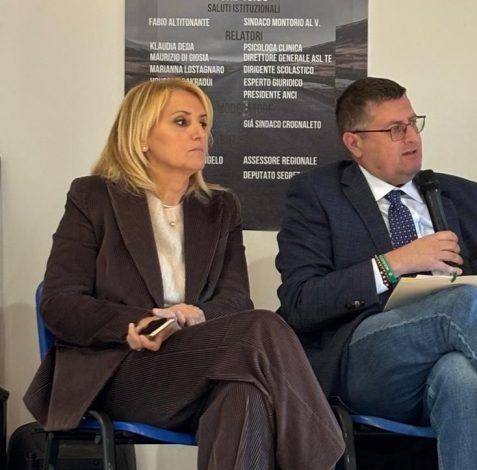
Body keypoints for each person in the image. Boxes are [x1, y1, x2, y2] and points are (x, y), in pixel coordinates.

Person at [24, 79, 345, 470]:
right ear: (141, 136)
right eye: (181, 121)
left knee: (244, 395)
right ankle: (325, 460)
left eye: (203, 123)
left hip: (200, 367)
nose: (199, 133)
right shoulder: (93, 197)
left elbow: (235, 300)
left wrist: (199, 315)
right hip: (120, 370)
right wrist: (136, 322)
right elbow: (60, 302)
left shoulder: (220, 207)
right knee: (262, 327)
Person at [275, 77, 477, 469]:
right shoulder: (317, 194)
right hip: (361, 364)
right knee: (462, 303)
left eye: (413, 122)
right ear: (354, 143)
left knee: (463, 375)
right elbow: (301, 302)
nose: (411, 137)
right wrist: (396, 263)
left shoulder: (461, 194)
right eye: (395, 129)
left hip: (439, 367)